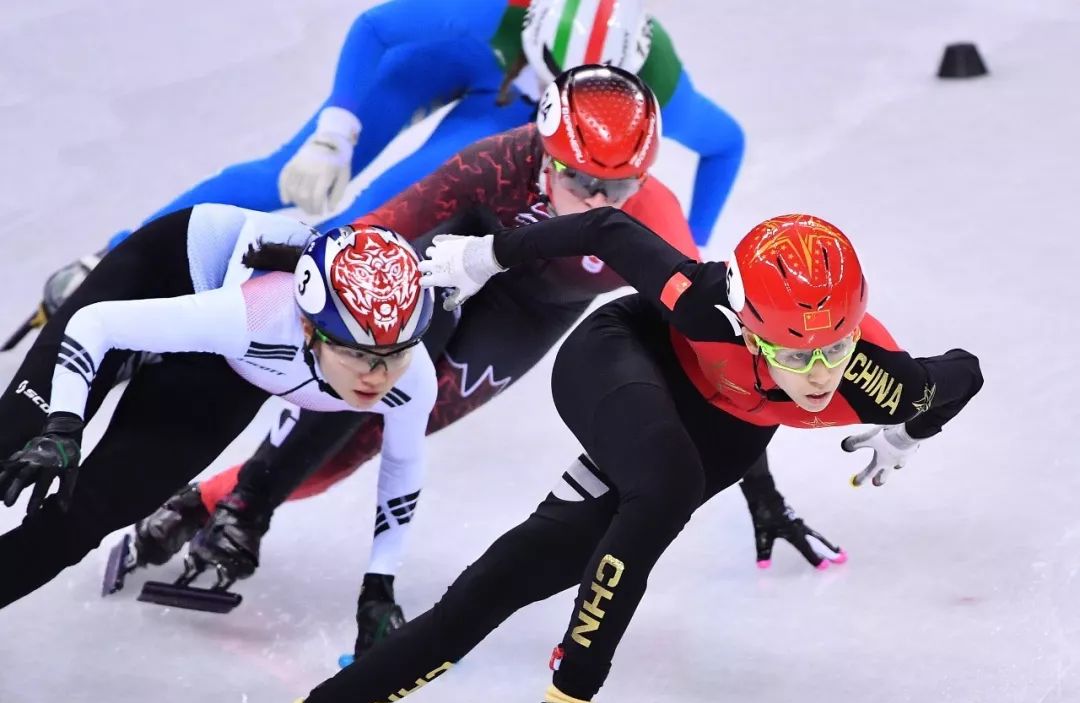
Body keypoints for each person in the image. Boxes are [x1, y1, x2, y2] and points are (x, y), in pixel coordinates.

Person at [195, 209, 982, 703]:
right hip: (622, 360)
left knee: (497, 585)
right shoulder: (705, 300)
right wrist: (482, 257)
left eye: (833, 350)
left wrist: (908, 434)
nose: (817, 376)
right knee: (665, 481)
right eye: (790, 351)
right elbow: (606, 229)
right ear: (745, 323)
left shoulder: (880, 381)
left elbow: (963, 373)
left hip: (714, 439)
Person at [123, 66, 835, 660]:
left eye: (617, 188)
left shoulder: (649, 218)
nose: (597, 201)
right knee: (370, 368)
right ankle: (247, 506)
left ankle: (206, 501)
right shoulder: (494, 166)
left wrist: (756, 482)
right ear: (544, 156)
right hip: (447, 268)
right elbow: (371, 241)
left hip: (529, 316)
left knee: (367, 444)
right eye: (581, 180)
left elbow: (718, 361)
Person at [34, 0, 742, 329]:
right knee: (286, 175)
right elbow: (375, 28)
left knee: (363, 220)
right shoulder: (489, 15)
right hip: (462, 63)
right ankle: (117, 258)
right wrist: (335, 132)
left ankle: (229, 312)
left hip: (508, 115)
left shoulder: (652, 85)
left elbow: (725, 143)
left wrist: (694, 243)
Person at [0, 208, 436, 607]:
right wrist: (61, 427)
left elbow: (401, 467)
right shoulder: (255, 319)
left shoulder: (411, 376)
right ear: (308, 329)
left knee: (89, 516)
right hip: (169, 270)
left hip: (229, 370)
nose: (377, 376)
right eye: (358, 355)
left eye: (395, 354)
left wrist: (380, 581)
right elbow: (95, 325)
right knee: (15, 435)